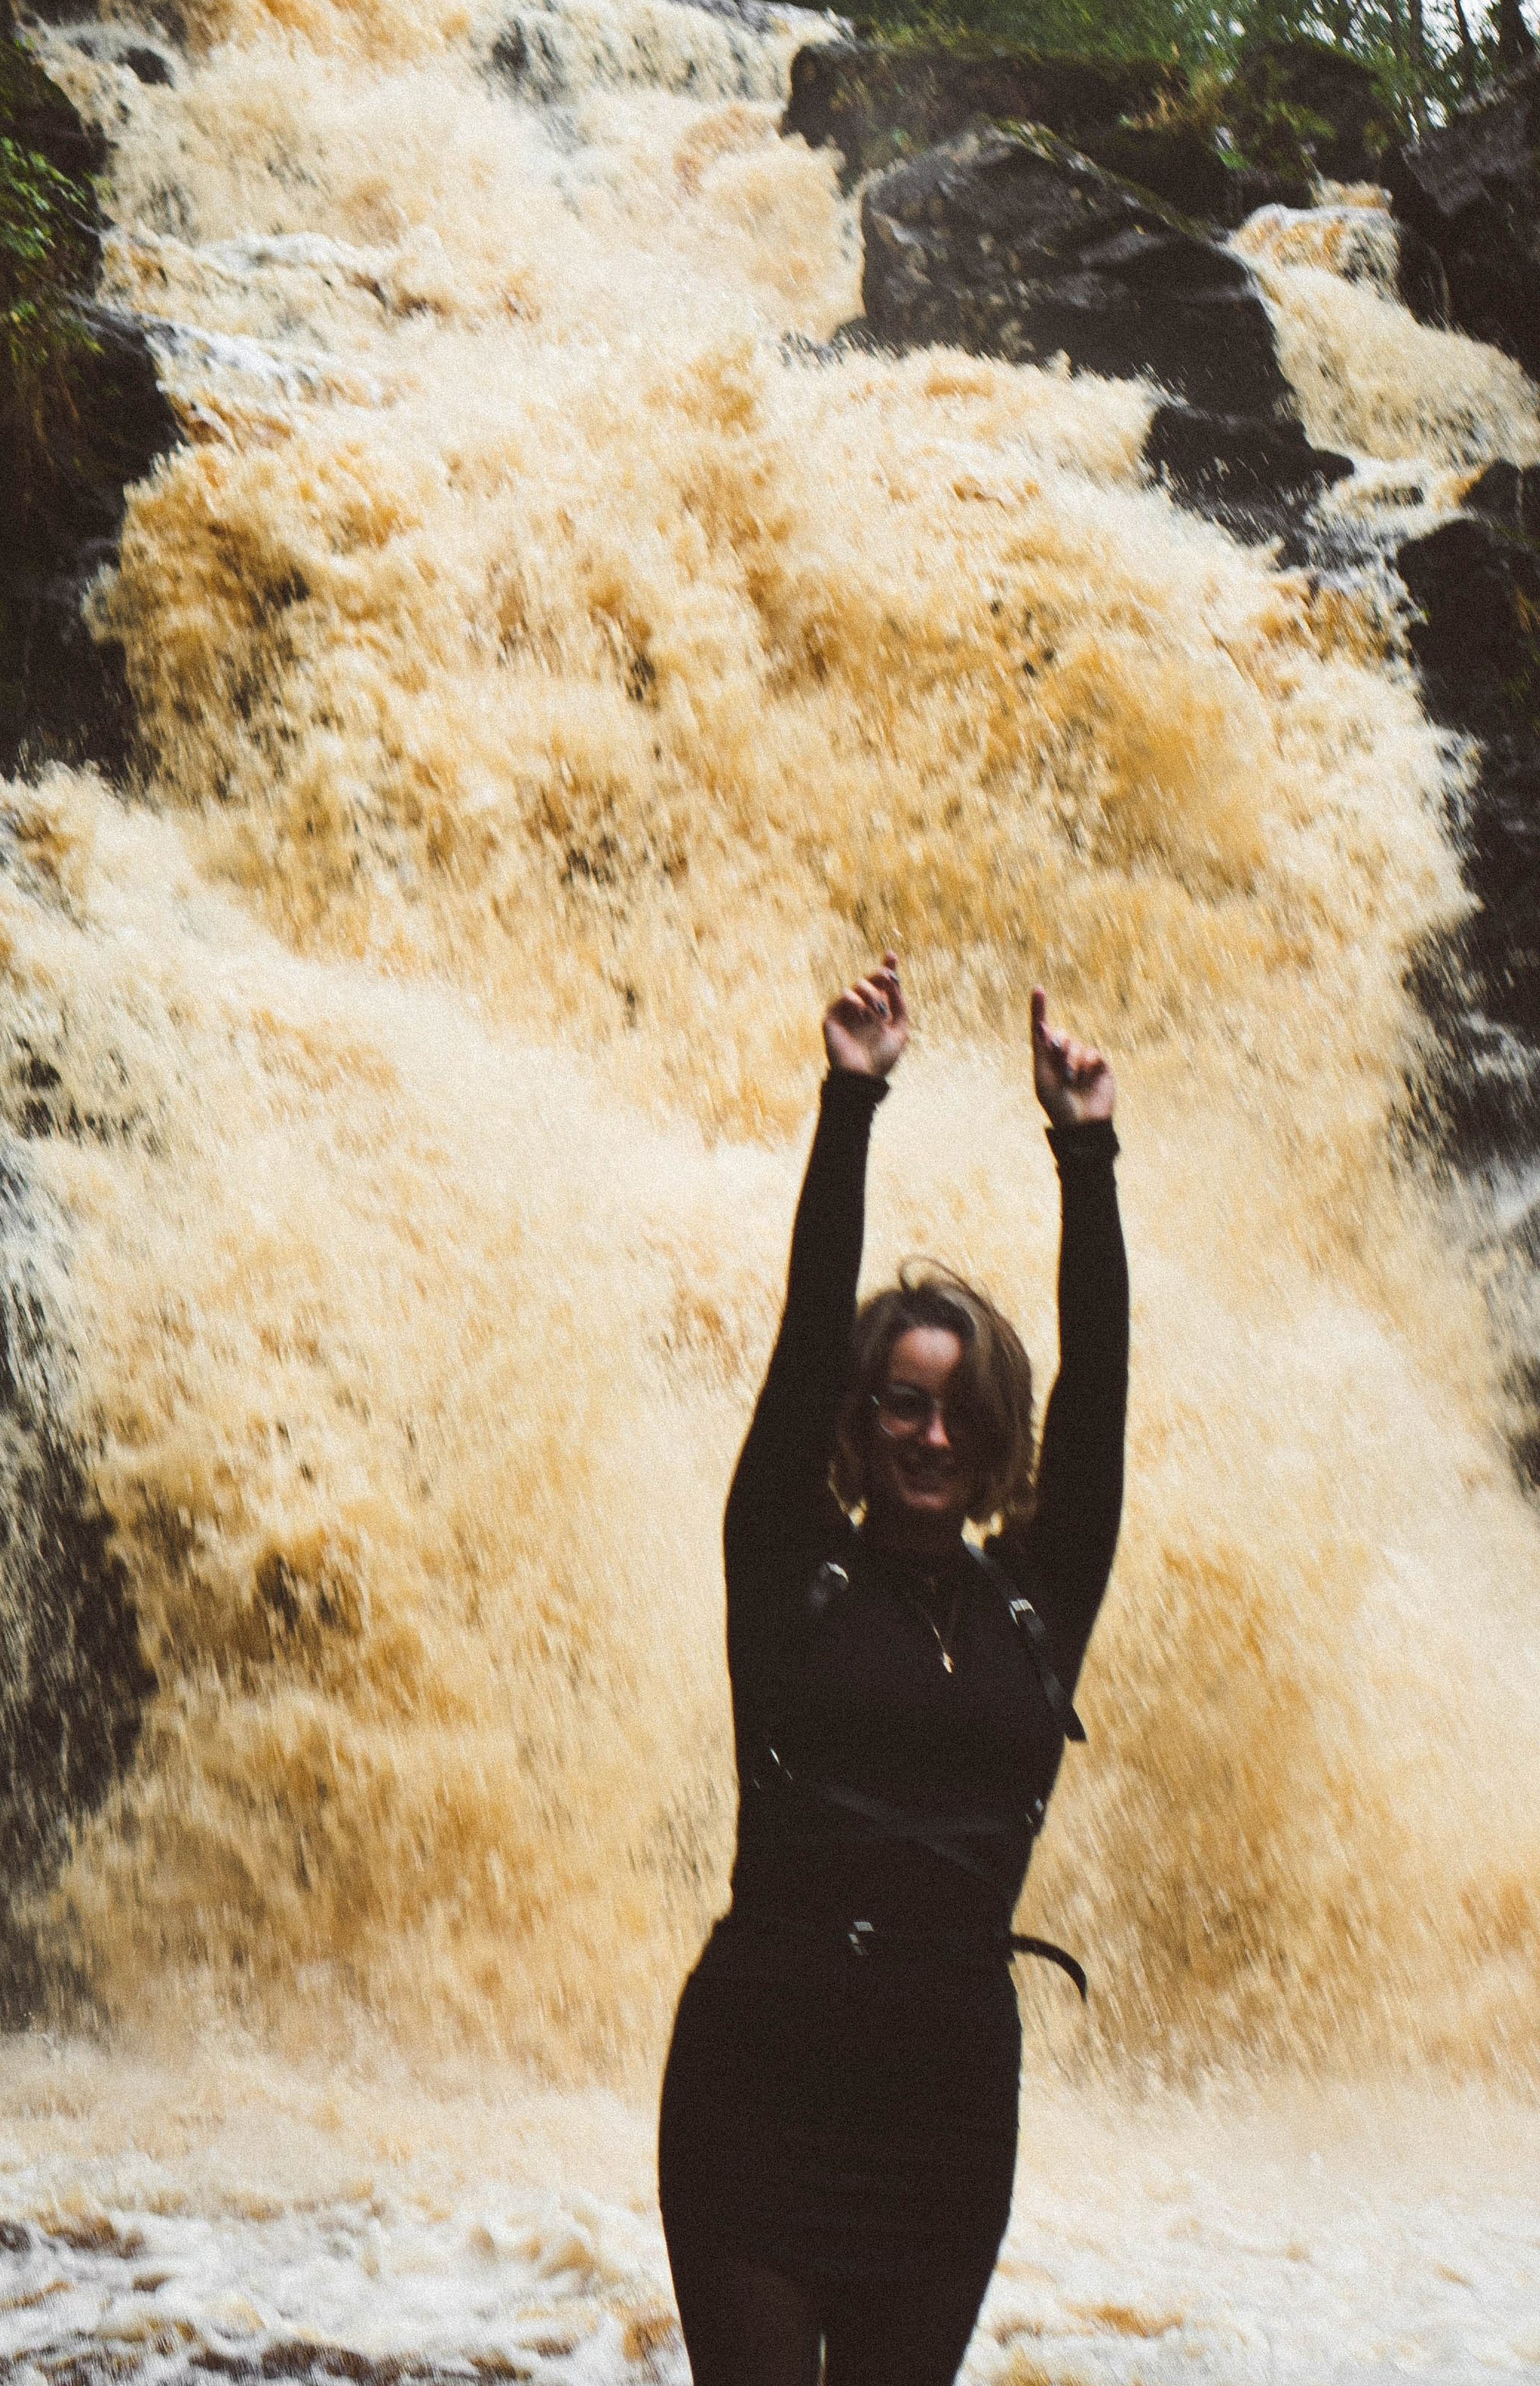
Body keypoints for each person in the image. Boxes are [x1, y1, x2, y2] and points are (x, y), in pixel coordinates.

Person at [658, 953, 1125, 2386]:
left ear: (997, 1440)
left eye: (962, 1413)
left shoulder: (1040, 1604)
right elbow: (807, 1343)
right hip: (762, 2092)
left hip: (945, 2110)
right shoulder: (787, 1566)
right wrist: (850, 1102)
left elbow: (1102, 1405)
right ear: (861, 1429)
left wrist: (1085, 1152)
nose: (931, 1436)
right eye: (901, 1408)